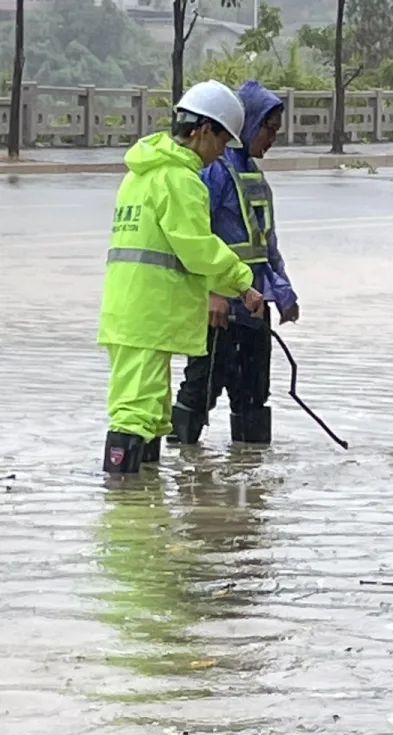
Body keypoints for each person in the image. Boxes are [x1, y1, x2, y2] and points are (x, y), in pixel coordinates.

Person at [98, 80, 264, 475]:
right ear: (205, 130)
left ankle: (142, 511)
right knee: (134, 414)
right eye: (223, 140)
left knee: (151, 412)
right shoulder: (180, 180)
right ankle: (123, 517)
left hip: (134, 313)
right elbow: (197, 248)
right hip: (149, 315)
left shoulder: (141, 174)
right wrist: (242, 282)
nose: (223, 152)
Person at [169, 80, 299, 446]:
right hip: (220, 310)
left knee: (254, 396)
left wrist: (284, 292)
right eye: (268, 128)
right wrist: (211, 294)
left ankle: (248, 491)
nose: (272, 138)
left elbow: (265, 245)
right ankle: (185, 472)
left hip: (254, 306)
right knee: (200, 393)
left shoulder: (254, 176)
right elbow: (194, 239)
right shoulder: (214, 171)